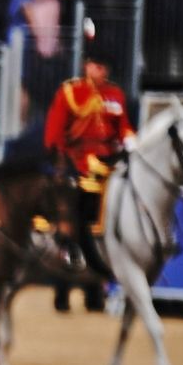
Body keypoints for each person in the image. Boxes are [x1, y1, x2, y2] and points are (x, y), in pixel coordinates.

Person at [44, 39, 131, 309]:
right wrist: (59, 164)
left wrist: (130, 139)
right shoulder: (71, 92)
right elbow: (55, 134)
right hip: (77, 164)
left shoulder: (115, 96)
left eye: (104, 67)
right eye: (95, 66)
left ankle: (100, 287)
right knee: (74, 227)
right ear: (86, 66)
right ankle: (63, 291)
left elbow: (123, 127)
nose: (99, 71)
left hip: (108, 164)